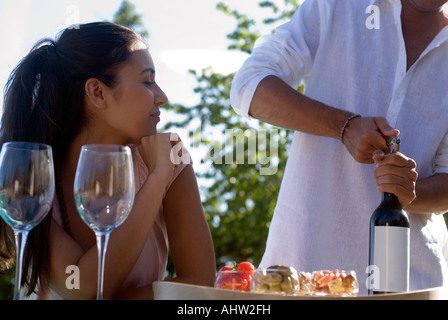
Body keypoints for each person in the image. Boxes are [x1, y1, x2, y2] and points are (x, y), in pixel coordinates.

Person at [230, 0, 448, 294]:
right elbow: (250, 86)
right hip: (304, 275)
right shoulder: (338, 5)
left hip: (414, 284)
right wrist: (343, 127)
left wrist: (409, 191)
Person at [0, 22, 216, 299]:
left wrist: (162, 172)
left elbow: (200, 284)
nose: (162, 97)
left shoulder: (170, 160)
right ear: (97, 92)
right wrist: (156, 179)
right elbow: (82, 287)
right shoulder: (29, 175)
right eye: (147, 81)